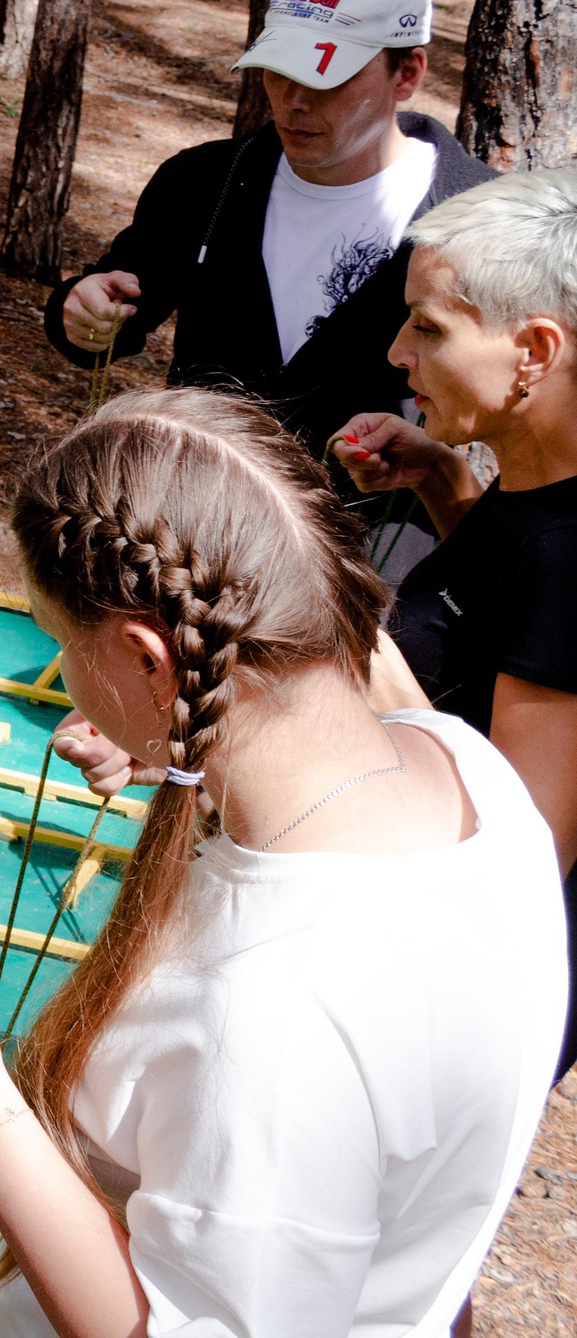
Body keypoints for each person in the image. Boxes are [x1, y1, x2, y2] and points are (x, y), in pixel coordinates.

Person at [0, 387, 566, 1338]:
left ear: (151, 658)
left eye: (62, 642)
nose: (63, 669)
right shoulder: (474, 774)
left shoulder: (269, 1012)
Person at [45, 0, 491, 571]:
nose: (293, 101)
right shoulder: (203, 182)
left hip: (373, 558)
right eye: (278, 71)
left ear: (408, 73)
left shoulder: (482, 217)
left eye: (326, 78)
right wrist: (81, 310)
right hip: (197, 538)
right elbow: (112, 309)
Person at [332, 170, 577, 1075]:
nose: (397, 352)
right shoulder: (536, 482)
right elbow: (504, 612)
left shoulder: (571, 555)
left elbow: (520, 860)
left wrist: (344, 649)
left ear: (536, 350)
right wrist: (444, 482)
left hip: (438, 1024)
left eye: (429, 328)